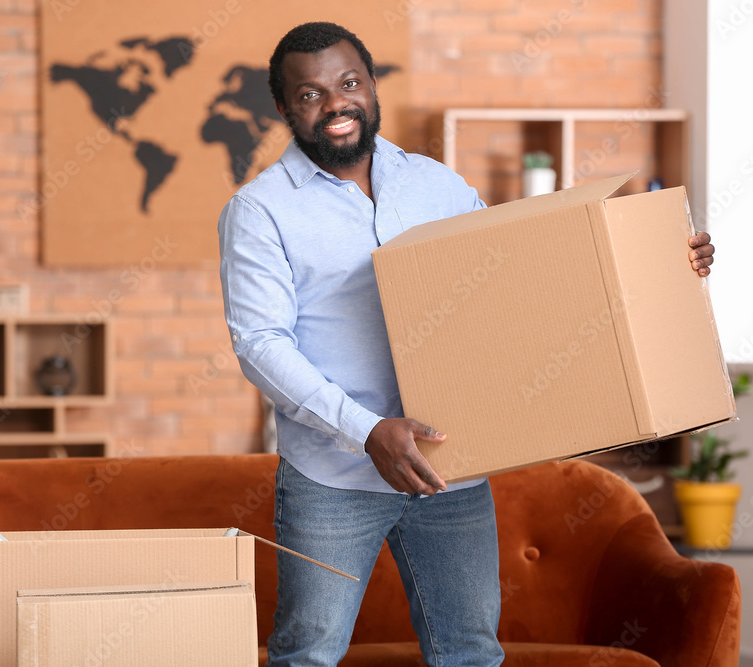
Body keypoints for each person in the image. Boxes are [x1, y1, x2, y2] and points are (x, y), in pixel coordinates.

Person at [217, 21, 716, 667]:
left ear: (371, 85)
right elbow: (260, 342)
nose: (335, 103)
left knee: (472, 653)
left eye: (348, 83)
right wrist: (367, 429)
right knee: (307, 654)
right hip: (332, 476)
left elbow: (519, 275)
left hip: (447, 467)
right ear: (285, 108)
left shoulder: (435, 184)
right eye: (310, 94)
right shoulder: (259, 210)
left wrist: (663, 259)